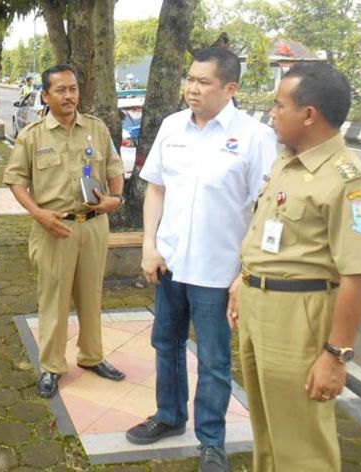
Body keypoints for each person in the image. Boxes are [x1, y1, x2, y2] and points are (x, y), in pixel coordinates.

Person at [125, 47, 278, 472]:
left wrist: (245, 274)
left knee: (214, 360)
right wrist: (148, 246)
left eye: (203, 81)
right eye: (189, 78)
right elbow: (156, 188)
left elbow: (267, 209)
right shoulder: (173, 127)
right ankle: (169, 416)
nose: (192, 88)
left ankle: (212, 441)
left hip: (219, 270)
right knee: (165, 344)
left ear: (231, 88)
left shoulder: (254, 138)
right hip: (170, 262)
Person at [229, 62, 361, 472]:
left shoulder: (350, 182)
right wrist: (242, 282)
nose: (272, 114)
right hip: (259, 306)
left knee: (302, 444)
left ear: (309, 114)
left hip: (299, 316)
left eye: (280, 105)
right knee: (268, 431)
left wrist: (335, 355)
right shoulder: (287, 161)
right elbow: (270, 234)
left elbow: (356, 275)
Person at [3, 64, 127, 398]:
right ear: (45, 95)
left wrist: (115, 199)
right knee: (53, 300)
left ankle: (91, 356)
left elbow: (115, 169)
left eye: (73, 88)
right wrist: (39, 214)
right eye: (61, 90)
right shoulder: (32, 135)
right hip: (54, 228)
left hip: (94, 226)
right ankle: (52, 366)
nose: (69, 95)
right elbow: (15, 180)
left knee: (91, 296)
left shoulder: (97, 130)